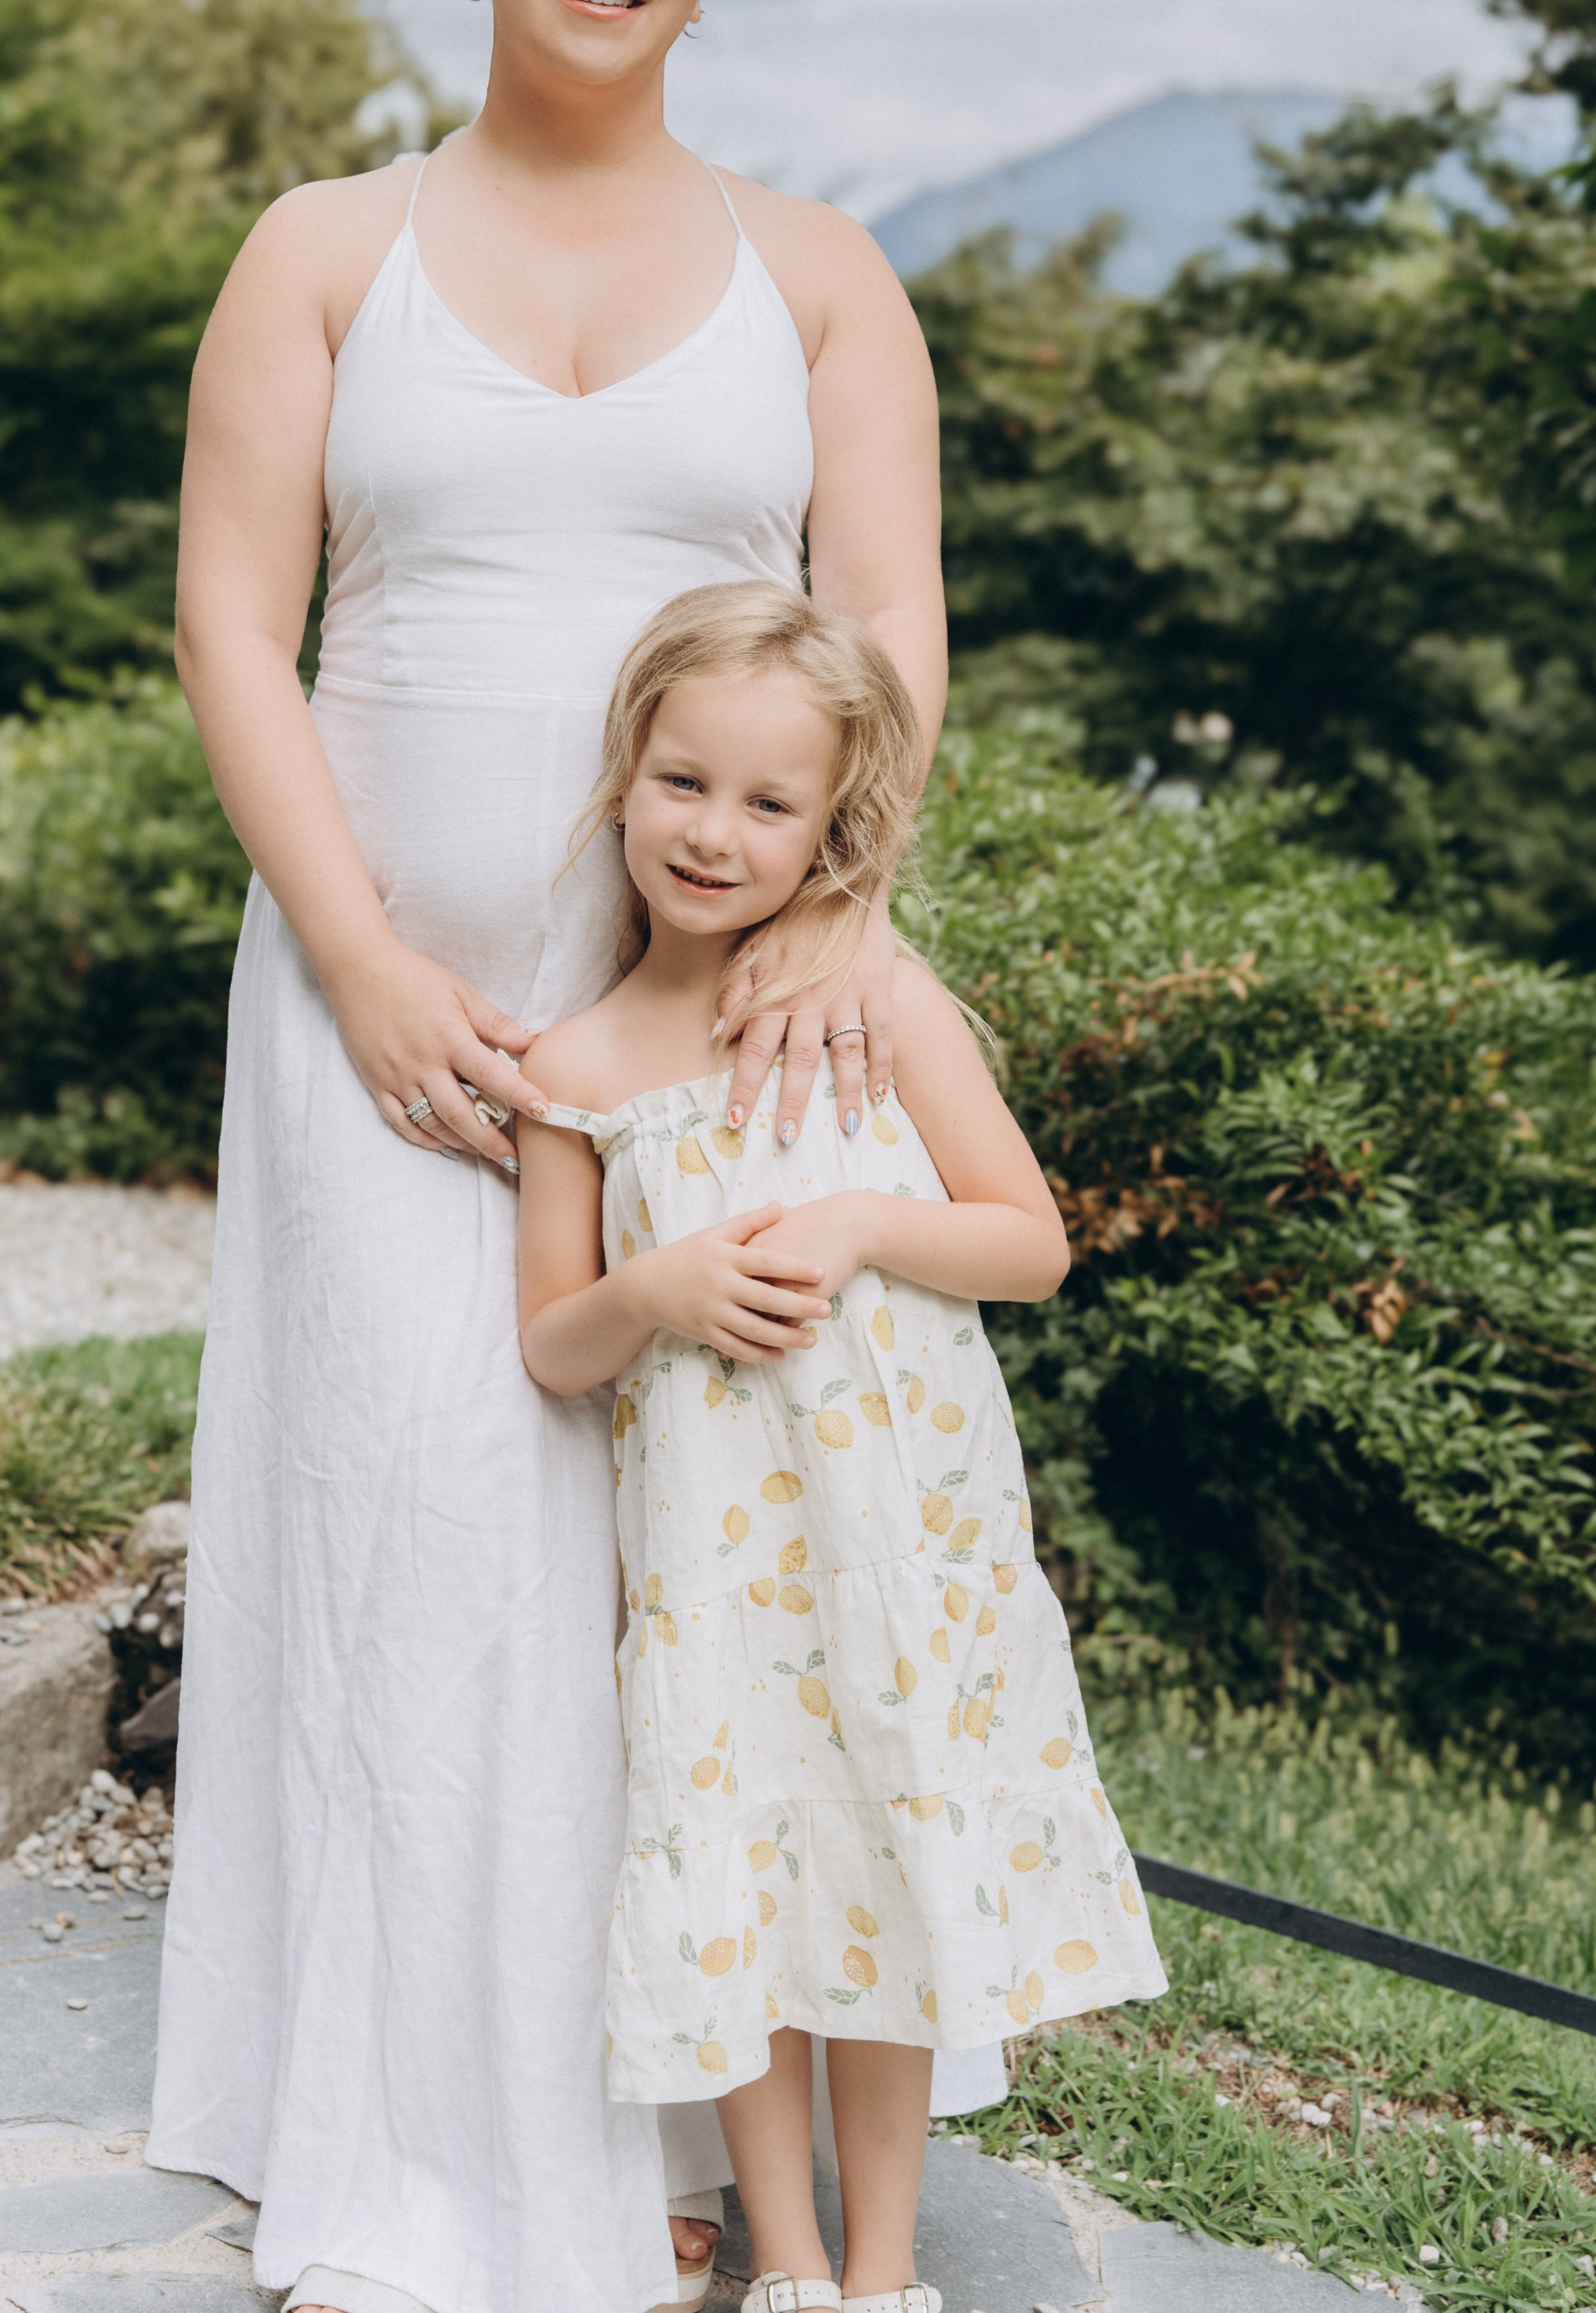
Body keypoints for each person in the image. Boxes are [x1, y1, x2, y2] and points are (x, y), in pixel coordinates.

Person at [150, 0, 951, 2313]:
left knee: (690, 1554)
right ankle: (412, 2150)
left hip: (718, 1025)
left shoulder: (819, 274)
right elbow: (231, 622)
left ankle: (684, 2136)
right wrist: (365, 960)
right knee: (424, 1532)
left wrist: (840, 914)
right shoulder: (322, 246)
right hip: (384, 1008)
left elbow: (892, 629)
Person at [517, 583, 1167, 2312]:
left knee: (884, 1867)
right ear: (623, 775)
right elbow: (552, 1343)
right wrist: (652, 1289)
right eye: (682, 782)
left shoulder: (872, 1004)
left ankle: (884, 2274)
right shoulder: (578, 1067)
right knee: (741, 1882)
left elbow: (1027, 1242)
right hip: (719, 1575)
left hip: (897, 1548)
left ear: (830, 829)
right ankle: (788, 2264)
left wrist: (869, 1221)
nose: (712, 833)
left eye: (767, 803)